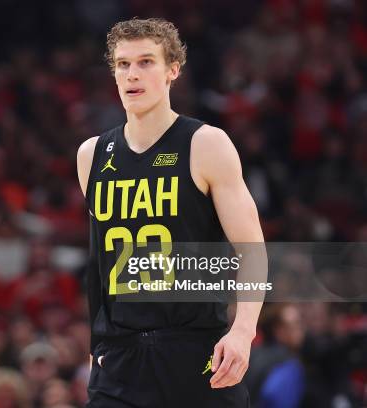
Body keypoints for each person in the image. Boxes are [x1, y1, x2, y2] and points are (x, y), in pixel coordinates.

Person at [76, 18, 265, 407]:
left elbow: (251, 248)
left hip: (196, 352)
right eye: (123, 64)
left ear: (172, 70)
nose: (132, 74)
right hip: (119, 361)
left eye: (146, 62)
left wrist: (243, 330)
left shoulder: (206, 144)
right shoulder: (91, 154)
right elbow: (100, 262)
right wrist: (95, 342)